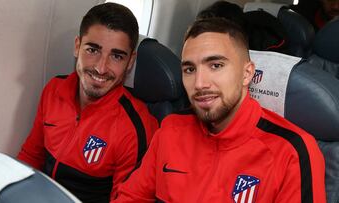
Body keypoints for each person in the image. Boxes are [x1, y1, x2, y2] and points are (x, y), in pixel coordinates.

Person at [112, 18, 326, 202]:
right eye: (189, 69)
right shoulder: (171, 129)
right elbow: (131, 198)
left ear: (247, 73)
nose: (200, 83)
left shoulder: (292, 152)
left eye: (216, 65)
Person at [17, 3, 158, 203]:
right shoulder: (54, 90)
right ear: (77, 46)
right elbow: (31, 156)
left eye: (116, 56)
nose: (101, 68)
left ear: (130, 61)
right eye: (93, 50)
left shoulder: (135, 127)